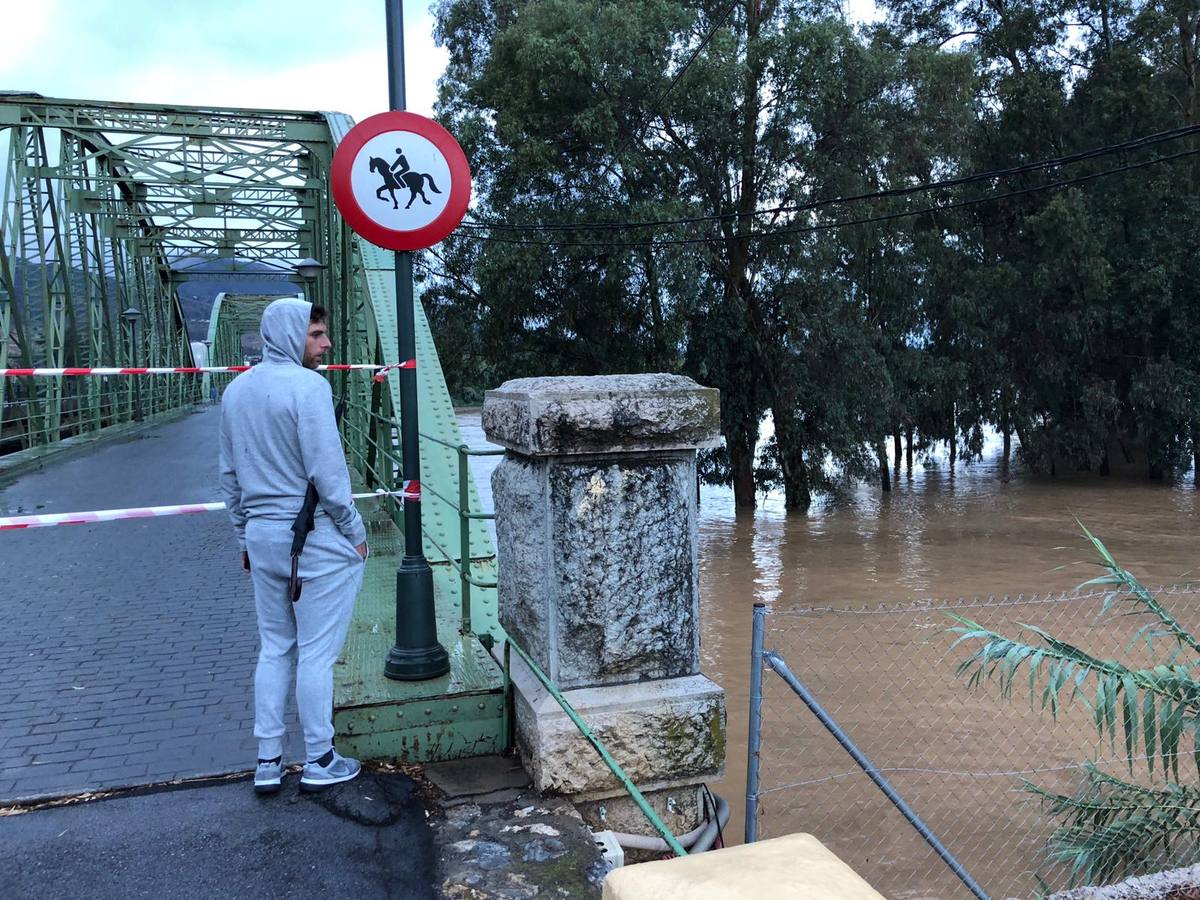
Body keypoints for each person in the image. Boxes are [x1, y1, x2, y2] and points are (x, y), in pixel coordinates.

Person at [218, 297, 368, 795]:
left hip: (261, 537)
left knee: (275, 647)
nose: (326, 344)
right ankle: (320, 758)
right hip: (313, 537)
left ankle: (267, 760)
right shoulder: (309, 387)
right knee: (317, 654)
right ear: (288, 334)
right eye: (315, 335)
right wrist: (354, 530)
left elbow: (229, 477)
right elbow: (328, 471)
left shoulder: (235, 392)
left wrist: (243, 536)